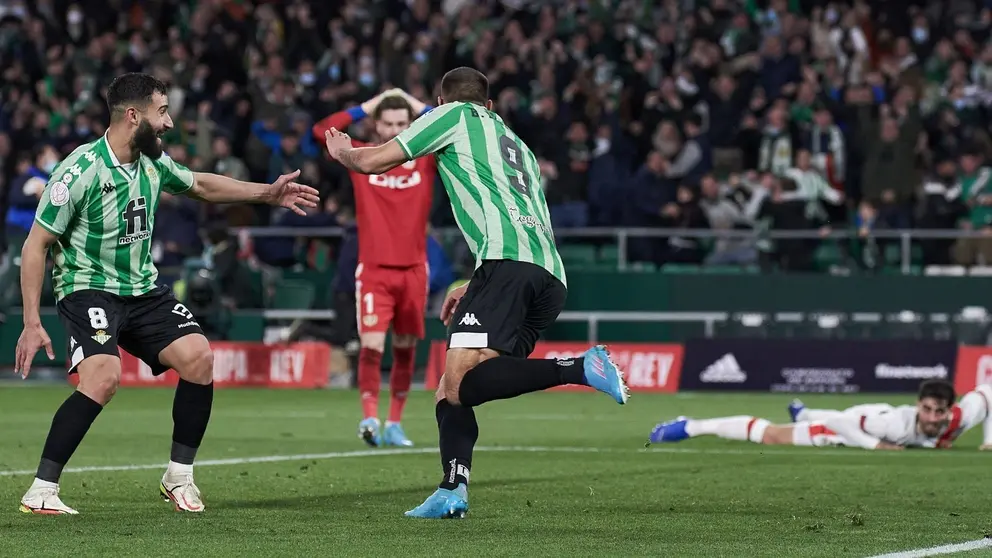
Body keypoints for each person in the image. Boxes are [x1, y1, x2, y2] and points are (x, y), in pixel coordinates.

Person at [323, 67, 630, 519]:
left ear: (441, 101)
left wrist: (344, 152)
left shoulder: (450, 116)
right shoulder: (518, 145)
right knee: (453, 388)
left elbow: (374, 162)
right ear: (490, 105)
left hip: (507, 266)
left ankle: (579, 367)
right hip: (546, 274)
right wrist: (477, 281)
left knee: (459, 384)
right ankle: (453, 489)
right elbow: (523, 216)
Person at [14, 73, 319, 515]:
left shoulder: (153, 161)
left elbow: (200, 185)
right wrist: (31, 321)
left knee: (199, 358)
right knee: (103, 378)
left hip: (142, 289)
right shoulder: (79, 171)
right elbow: (35, 244)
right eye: (162, 112)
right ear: (133, 116)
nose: (169, 123)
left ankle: (178, 477)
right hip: (89, 288)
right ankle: (42, 490)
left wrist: (267, 193)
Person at [312, 89, 435, 448]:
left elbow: (456, 122)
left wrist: (413, 102)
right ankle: (369, 418)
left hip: (413, 269)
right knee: (371, 346)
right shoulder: (361, 157)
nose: (395, 130)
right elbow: (322, 130)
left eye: (402, 123)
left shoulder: (425, 157)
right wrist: (367, 106)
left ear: (411, 125)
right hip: (374, 270)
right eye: (389, 123)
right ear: (376, 126)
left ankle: (395, 422)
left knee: (405, 346)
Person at [649, 380, 992, 451]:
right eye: (926, 409)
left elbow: (988, 392)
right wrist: (876, 446)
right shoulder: (893, 425)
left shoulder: (961, 417)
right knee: (772, 436)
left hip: (866, 416)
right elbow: (842, 423)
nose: (931, 417)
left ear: (949, 411)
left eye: (938, 412)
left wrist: (989, 440)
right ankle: (690, 426)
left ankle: (803, 412)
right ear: (917, 405)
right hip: (858, 425)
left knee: (822, 416)